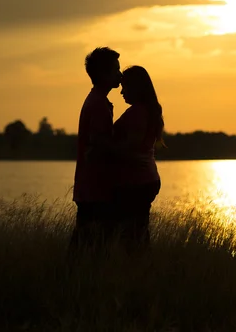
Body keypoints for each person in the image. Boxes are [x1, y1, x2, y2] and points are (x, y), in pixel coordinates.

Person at [69, 47, 122, 253]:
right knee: (92, 246)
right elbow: (100, 143)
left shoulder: (96, 101)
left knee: (84, 244)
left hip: (89, 187)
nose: (120, 74)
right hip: (95, 188)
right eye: (115, 70)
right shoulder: (99, 104)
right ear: (103, 74)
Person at [112, 65, 165, 253]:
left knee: (131, 236)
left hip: (137, 182)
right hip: (147, 179)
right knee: (138, 232)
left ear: (136, 88)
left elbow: (130, 147)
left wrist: (101, 147)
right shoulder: (148, 110)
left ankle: (138, 271)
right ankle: (142, 271)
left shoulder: (137, 112)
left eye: (125, 87)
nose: (121, 92)